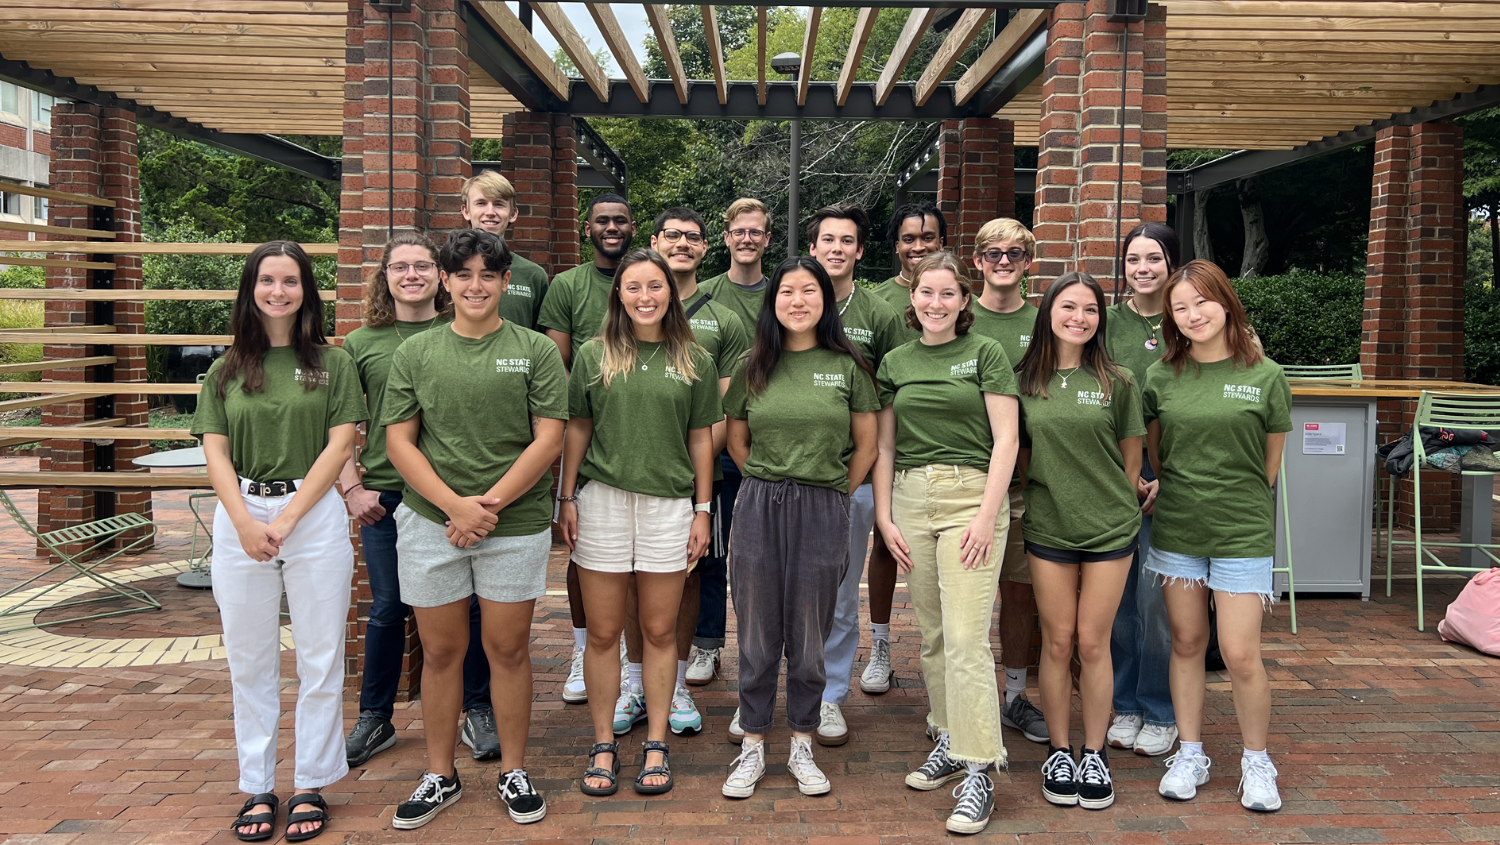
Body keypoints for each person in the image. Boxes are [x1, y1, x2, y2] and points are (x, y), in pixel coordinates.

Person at [383, 229, 566, 829]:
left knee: (508, 649)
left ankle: (514, 769)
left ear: (506, 281)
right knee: (440, 652)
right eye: (463, 274)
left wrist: (484, 507)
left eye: (488, 274)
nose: (476, 285)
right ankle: (441, 773)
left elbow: (549, 438)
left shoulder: (535, 350)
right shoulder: (415, 353)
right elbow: (399, 442)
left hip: (513, 525)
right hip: (432, 523)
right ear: (445, 281)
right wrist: (453, 508)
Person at [194, 241, 368, 842]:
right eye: (267, 280)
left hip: (313, 516)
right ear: (251, 290)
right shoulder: (225, 370)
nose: (278, 291)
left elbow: (340, 443)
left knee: (320, 659)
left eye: (289, 281)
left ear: (305, 290)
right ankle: (258, 786)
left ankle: (312, 782)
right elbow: (214, 450)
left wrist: (289, 517)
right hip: (240, 512)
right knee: (251, 661)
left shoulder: (332, 363)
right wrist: (243, 520)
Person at [559, 247, 721, 797]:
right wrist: (566, 496)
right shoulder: (593, 353)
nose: (645, 297)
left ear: (670, 293)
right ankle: (603, 743)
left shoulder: (694, 358)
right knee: (604, 634)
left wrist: (703, 508)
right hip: (602, 500)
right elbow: (577, 427)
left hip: (670, 506)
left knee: (658, 631)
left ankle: (656, 742)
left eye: (655, 286)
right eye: (634, 287)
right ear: (618, 295)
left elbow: (702, 437)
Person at [340, 233, 503, 768]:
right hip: (386, 497)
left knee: (475, 610)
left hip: (461, 499)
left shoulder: (460, 328)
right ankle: (376, 716)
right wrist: (351, 487)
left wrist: (466, 504)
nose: (411, 275)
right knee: (388, 607)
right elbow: (341, 424)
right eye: (399, 267)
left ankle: (478, 710)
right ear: (383, 276)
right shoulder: (363, 342)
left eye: (422, 266)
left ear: (442, 275)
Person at [721, 255, 879, 799]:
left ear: (824, 300)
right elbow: (736, 439)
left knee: (810, 633)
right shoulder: (754, 365)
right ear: (773, 302)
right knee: (759, 631)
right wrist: (767, 483)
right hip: (760, 503)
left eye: (808, 291)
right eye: (786, 291)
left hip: (823, 505)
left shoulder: (848, 366)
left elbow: (868, 445)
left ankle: (803, 743)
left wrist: (834, 492)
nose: (797, 301)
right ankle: (754, 745)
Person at [873, 252, 1019, 835]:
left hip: (970, 497)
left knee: (965, 639)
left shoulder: (984, 354)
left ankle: (980, 769)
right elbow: (884, 448)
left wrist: (987, 516)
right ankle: (951, 738)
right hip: (910, 499)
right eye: (925, 293)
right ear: (912, 299)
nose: (935, 303)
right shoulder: (894, 362)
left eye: (946, 294)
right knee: (932, 635)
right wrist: (884, 518)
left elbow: (1006, 439)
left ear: (964, 301)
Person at [1145, 259, 1290, 813]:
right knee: (1185, 643)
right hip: (1179, 528)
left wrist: (1232, 496)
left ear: (1225, 301)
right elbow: (1160, 455)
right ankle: (1190, 752)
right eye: (1179, 307)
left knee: (1240, 653)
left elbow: (1269, 465)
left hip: (1242, 532)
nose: (1191, 314)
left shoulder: (1267, 375)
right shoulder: (1161, 376)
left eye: (1201, 302)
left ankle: (1257, 762)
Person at [612, 209, 749, 740]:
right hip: (626, 478)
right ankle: (632, 681)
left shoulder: (726, 320)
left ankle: (674, 685)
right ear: (654, 242)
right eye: (673, 235)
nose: (683, 244)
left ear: (705, 247)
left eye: (693, 236)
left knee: (688, 573)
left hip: (698, 478)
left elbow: (719, 411)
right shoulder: (624, 313)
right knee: (627, 578)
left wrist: (681, 464)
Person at [1015, 272, 1144, 811]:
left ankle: (1095, 752)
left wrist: (1116, 504)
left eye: (1090, 309)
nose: (1080, 318)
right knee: (1057, 640)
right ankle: (1060, 751)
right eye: (1069, 307)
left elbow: (1131, 461)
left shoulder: (1118, 380)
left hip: (1110, 528)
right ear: (1048, 312)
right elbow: (1018, 453)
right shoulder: (1024, 379)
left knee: (1094, 643)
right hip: (1048, 525)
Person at [806, 204, 903, 747]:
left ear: (860, 251)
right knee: (786, 593)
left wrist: (866, 478)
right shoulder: (791, 299)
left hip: (856, 481)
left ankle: (829, 697)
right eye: (828, 240)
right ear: (814, 247)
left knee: (841, 593)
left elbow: (889, 402)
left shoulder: (881, 313)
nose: (837, 248)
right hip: (795, 479)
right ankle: (787, 691)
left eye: (848, 241)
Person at [538, 192, 637, 704]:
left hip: (643, 435)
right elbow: (557, 363)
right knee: (584, 553)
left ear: (633, 227)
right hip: (587, 433)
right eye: (602, 221)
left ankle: (634, 661)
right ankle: (584, 649)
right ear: (587, 228)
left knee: (645, 559)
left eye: (620, 220)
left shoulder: (648, 278)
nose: (612, 227)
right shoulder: (568, 286)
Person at [854, 203, 947, 698]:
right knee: (884, 543)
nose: (918, 245)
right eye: (909, 238)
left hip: (941, 447)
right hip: (888, 440)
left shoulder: (955, 296)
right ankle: (882, 645)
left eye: (928, 237)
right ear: (895, 246)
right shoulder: (876, 302)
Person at [967, 218, 1050, 746]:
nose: (1003, 261)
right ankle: (958, 699)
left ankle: (1014, 694)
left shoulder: (1044, 323)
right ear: (976, 260)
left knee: (1019, 595)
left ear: (1027, 262)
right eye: (993, 253)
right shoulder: (953, 314)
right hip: (962, 479)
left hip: (1025, 482)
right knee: (962, 601)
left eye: (1015, 254)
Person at [1104, 222, 1182, 757]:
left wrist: (1164, 476)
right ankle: (1125, 703)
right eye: (1134, 259)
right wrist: (1127, 472)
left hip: (1172, 471)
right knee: (1117, 601)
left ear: (1172, 263)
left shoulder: (1190, 317)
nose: (1143, 269)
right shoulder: (1106, 323)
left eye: (1154, 258)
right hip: (1111, 468)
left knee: (1157, 602)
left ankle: (1160, 708)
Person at [692, 198, 771, 687]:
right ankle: (706, 645)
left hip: (769, 446)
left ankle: (760, 654)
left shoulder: (782, 293)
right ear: (725, 237)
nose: (747, 239)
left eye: (756, 232)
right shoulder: (701, 295)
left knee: (761, 560)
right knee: (712, 553)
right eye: (738, 231)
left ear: (766, 239)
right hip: (716, 448)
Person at [461, 169, 549, 330]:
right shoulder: (448, 269)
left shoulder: (533, 275)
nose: (490, 212)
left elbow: (541, 337)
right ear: (466, 211)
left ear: (513, 214)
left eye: (499, 204)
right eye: (481, 203)